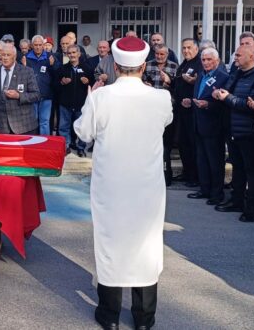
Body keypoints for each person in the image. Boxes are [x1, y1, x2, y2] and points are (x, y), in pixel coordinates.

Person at [74, 36, 173, 330]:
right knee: (147, 245)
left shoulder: (100, 97)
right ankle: (144, 318)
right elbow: (165, 121)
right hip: (147, 186)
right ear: (144, 66)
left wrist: (91, 94)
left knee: (111, 244)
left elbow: (83, 132)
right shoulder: (160, 98)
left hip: (111, 186)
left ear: (115, 66)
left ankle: (110, 314)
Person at [213, 44, 254, 221]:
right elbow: (228, 92)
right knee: (238, 168)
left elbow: (252, 104)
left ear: (252, 57)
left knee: (252, 172)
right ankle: (236, 201)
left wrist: (227, 97)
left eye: (238, 55)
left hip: (249, 131)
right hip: (233, 128)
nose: (235, 58)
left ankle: (252, 209)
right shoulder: (237, 72)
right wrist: (219, 93)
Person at [184, 48, 229, 205]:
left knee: (215, 161)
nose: (206, 62)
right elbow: (199, 95)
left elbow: (225, 103)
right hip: (198, 123)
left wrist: (208, 105)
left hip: (214, 125)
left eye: (209, 60)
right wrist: (191, 100)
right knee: (202, 159)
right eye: (203, 60)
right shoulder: (201, 75)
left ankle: (217, 194)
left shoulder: (223, 77)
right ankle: (204, 189)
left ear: (216, 61)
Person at [0, 43, 41, 135]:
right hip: (1, 127)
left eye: (8, 55)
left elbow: (36, 95)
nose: (5, 58)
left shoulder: (27, 72)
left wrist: (19, 96)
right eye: (3, 55)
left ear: (14, 57)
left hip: (24, 126)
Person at [143, 44, 179, 185]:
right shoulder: (148, 65)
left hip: (167, 108)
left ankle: (166, 175)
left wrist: (169, 82)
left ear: (168, 53)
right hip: (150, 108)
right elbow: (141, 81)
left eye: (162, 54)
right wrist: (145, 84)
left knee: (166, 146)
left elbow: (178, 86)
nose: (159, 57)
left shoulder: (174, 66)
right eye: (157, 54)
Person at [173, 38, 202, 187]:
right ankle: (187, 172)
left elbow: (202, 85)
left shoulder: (199, 63)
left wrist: (191, 98)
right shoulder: (183, 64)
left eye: (189, 47)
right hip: (181, 112)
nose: (186, 51)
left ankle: (195, 176)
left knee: (193, 144)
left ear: (196, 48)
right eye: (183, 48)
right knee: (183, 144)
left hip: (194, 112)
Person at [57, 45, 93, 157]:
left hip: (81, 104)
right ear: (67, 55)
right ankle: (66, 146)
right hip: (65, 103)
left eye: (74, 52)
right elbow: (54, 85)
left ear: (79, 54)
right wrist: (61, 82)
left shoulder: (87, 68)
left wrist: (88, 82)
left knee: (81, 127)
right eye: (69, 53)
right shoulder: (62, 68)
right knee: (64, 127)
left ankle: (81, 147)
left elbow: (94, 84)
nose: (72, 55)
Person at [23, 35, 57, 135]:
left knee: (45, 122)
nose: (38, 47)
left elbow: (57, 74)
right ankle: (32, 144)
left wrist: (53, 65)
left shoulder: (50, 57)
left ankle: (44, 144)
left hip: (46, 95)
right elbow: (22, 76)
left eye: (40, 45)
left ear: (43, 45)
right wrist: (23, 67)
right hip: (31, 95)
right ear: (32, 46)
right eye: (36, 45)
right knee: (32, 121)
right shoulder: (26, 58)